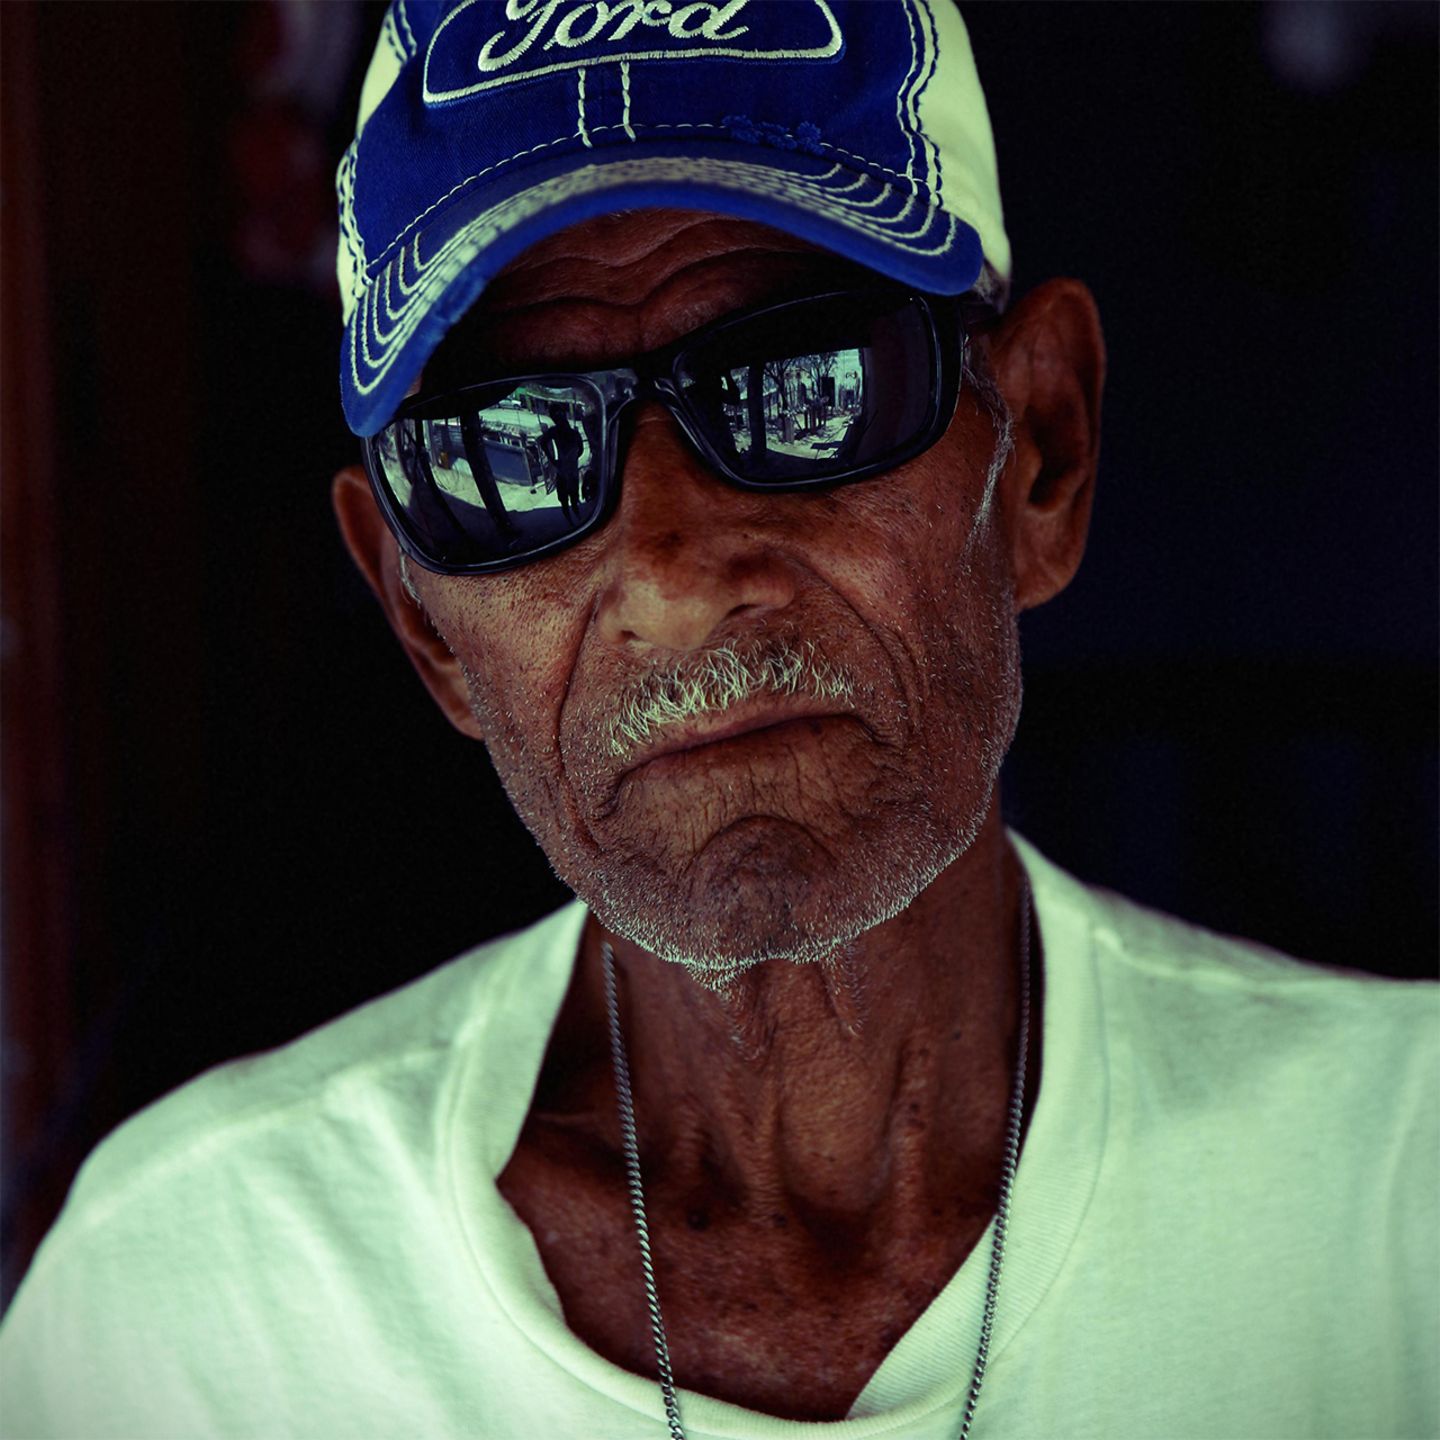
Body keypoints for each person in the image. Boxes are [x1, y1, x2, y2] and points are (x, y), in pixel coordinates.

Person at [2, 4, 1435, 1438]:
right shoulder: (186, 1315)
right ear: (423, 620)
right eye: (510, 452)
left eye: (803, 380)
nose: (677, 580)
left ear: (1040, 451)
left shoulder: (1398, 1210)